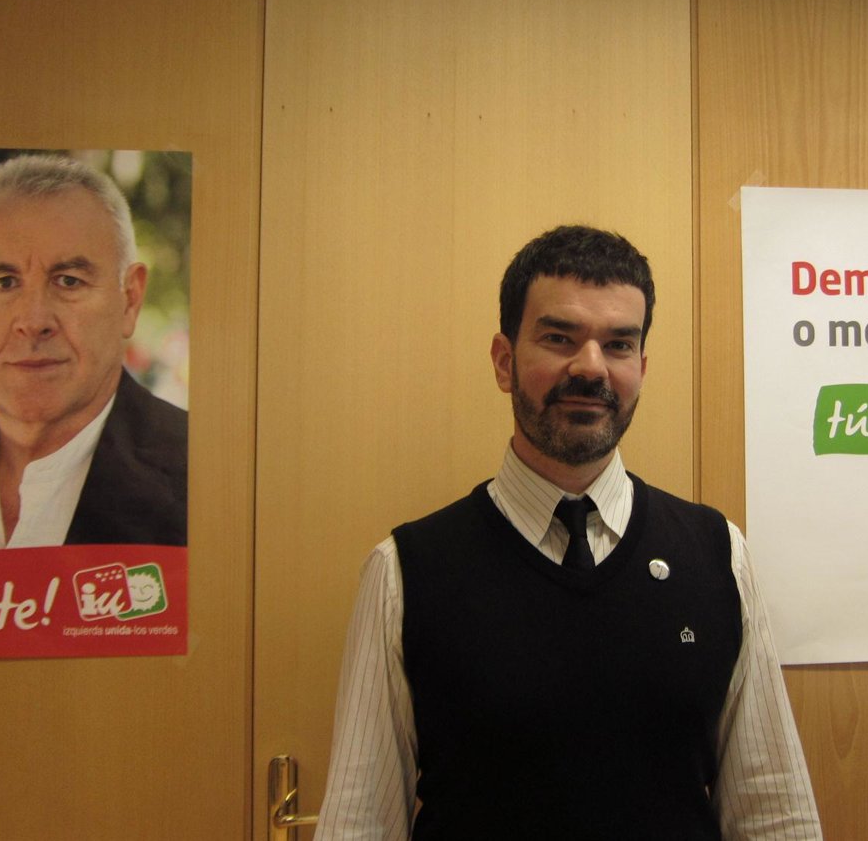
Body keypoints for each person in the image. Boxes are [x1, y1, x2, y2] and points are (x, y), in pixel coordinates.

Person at [315, 225, 821, 840]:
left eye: (618, 344)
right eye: (559, 338)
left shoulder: (717, 555)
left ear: (641, 367)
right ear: (505, 362)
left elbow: (774, 810)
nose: (591, 367)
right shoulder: (406, 571)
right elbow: (359, 823)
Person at [0, 154, 187, 551]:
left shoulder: (206, 475)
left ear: (130, 300)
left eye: (69, 281)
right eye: (4, 283)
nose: (34, 320)